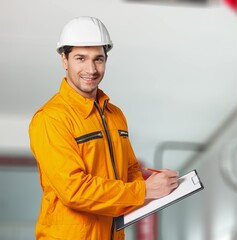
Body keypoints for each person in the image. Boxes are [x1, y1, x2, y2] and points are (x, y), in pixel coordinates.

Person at [28, 16, 179, 240]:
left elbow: (129, 172)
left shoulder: (115, 115)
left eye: (98, 59)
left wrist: (158, 184)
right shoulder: (51, 118)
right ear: (64, 60)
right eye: (81, 58)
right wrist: (145, 191)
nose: (91, 69)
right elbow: (74, 190)